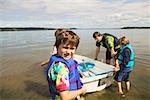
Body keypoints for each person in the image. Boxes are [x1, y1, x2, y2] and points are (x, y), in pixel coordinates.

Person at [47, 30, 86, 100]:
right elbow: (64, 97)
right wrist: (82, 90)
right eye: (65, 47)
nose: (68, 52)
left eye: (72, 48)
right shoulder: (62, 68)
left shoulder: (60, 59)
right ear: (57, 47)